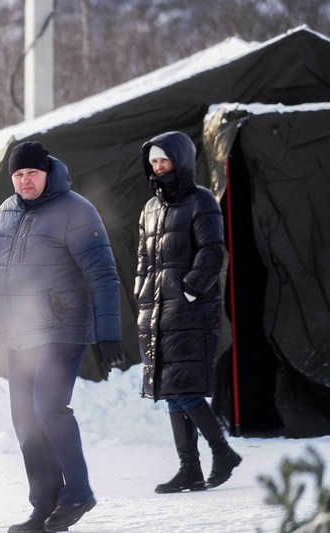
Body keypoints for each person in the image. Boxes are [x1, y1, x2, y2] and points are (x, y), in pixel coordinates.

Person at [0, 141, 124, 533]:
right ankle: (45, 505)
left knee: (48, 408)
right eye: (18, 174)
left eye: (32, 173)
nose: (25, 181)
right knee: (25, 421)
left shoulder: (76, 210)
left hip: (62, 328)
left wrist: (108, 333)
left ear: (47, 172)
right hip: (19, 332)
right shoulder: (5, 212)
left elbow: (103, 274)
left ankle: (79, 494)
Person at [135, 131, 242, 495]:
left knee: (184, 388)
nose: (158, 167)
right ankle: (190, 469)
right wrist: (142, 293)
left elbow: (212, 250)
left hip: (190, 310)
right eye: (153, 162)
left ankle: (222, 452)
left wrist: (190, 290)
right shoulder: (150, 208)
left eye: (163, 160)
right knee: (170, 389)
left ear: (180, 161)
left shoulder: (201, 200)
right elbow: (144, 259)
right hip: (157, 311)